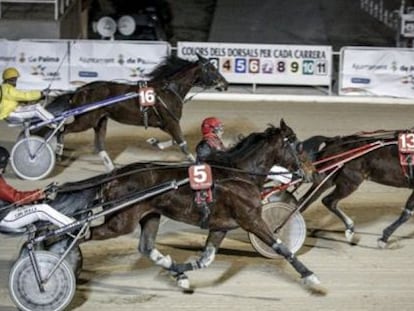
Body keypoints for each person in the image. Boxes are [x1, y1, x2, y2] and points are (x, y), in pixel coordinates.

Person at [0, 146, 74, 233]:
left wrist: (38, 194)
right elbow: (16, 198)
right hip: (6, 218)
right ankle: (72, 226)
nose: (3, 170)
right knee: (42, 209)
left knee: (39, 205)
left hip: (8, 212)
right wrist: (38, 194)